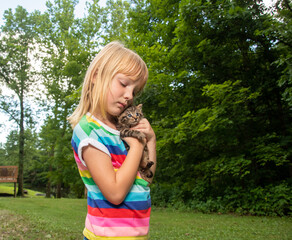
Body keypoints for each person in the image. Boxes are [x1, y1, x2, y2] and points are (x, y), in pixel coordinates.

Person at [68, 41, 157, 240]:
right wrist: (136, 144)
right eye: (124, 84)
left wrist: (151, 139)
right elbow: (115, 194)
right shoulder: (89, 132)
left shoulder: (120, 130)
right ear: (96, 76)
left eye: (134, 91)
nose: (128, 96)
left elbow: (146, 179)